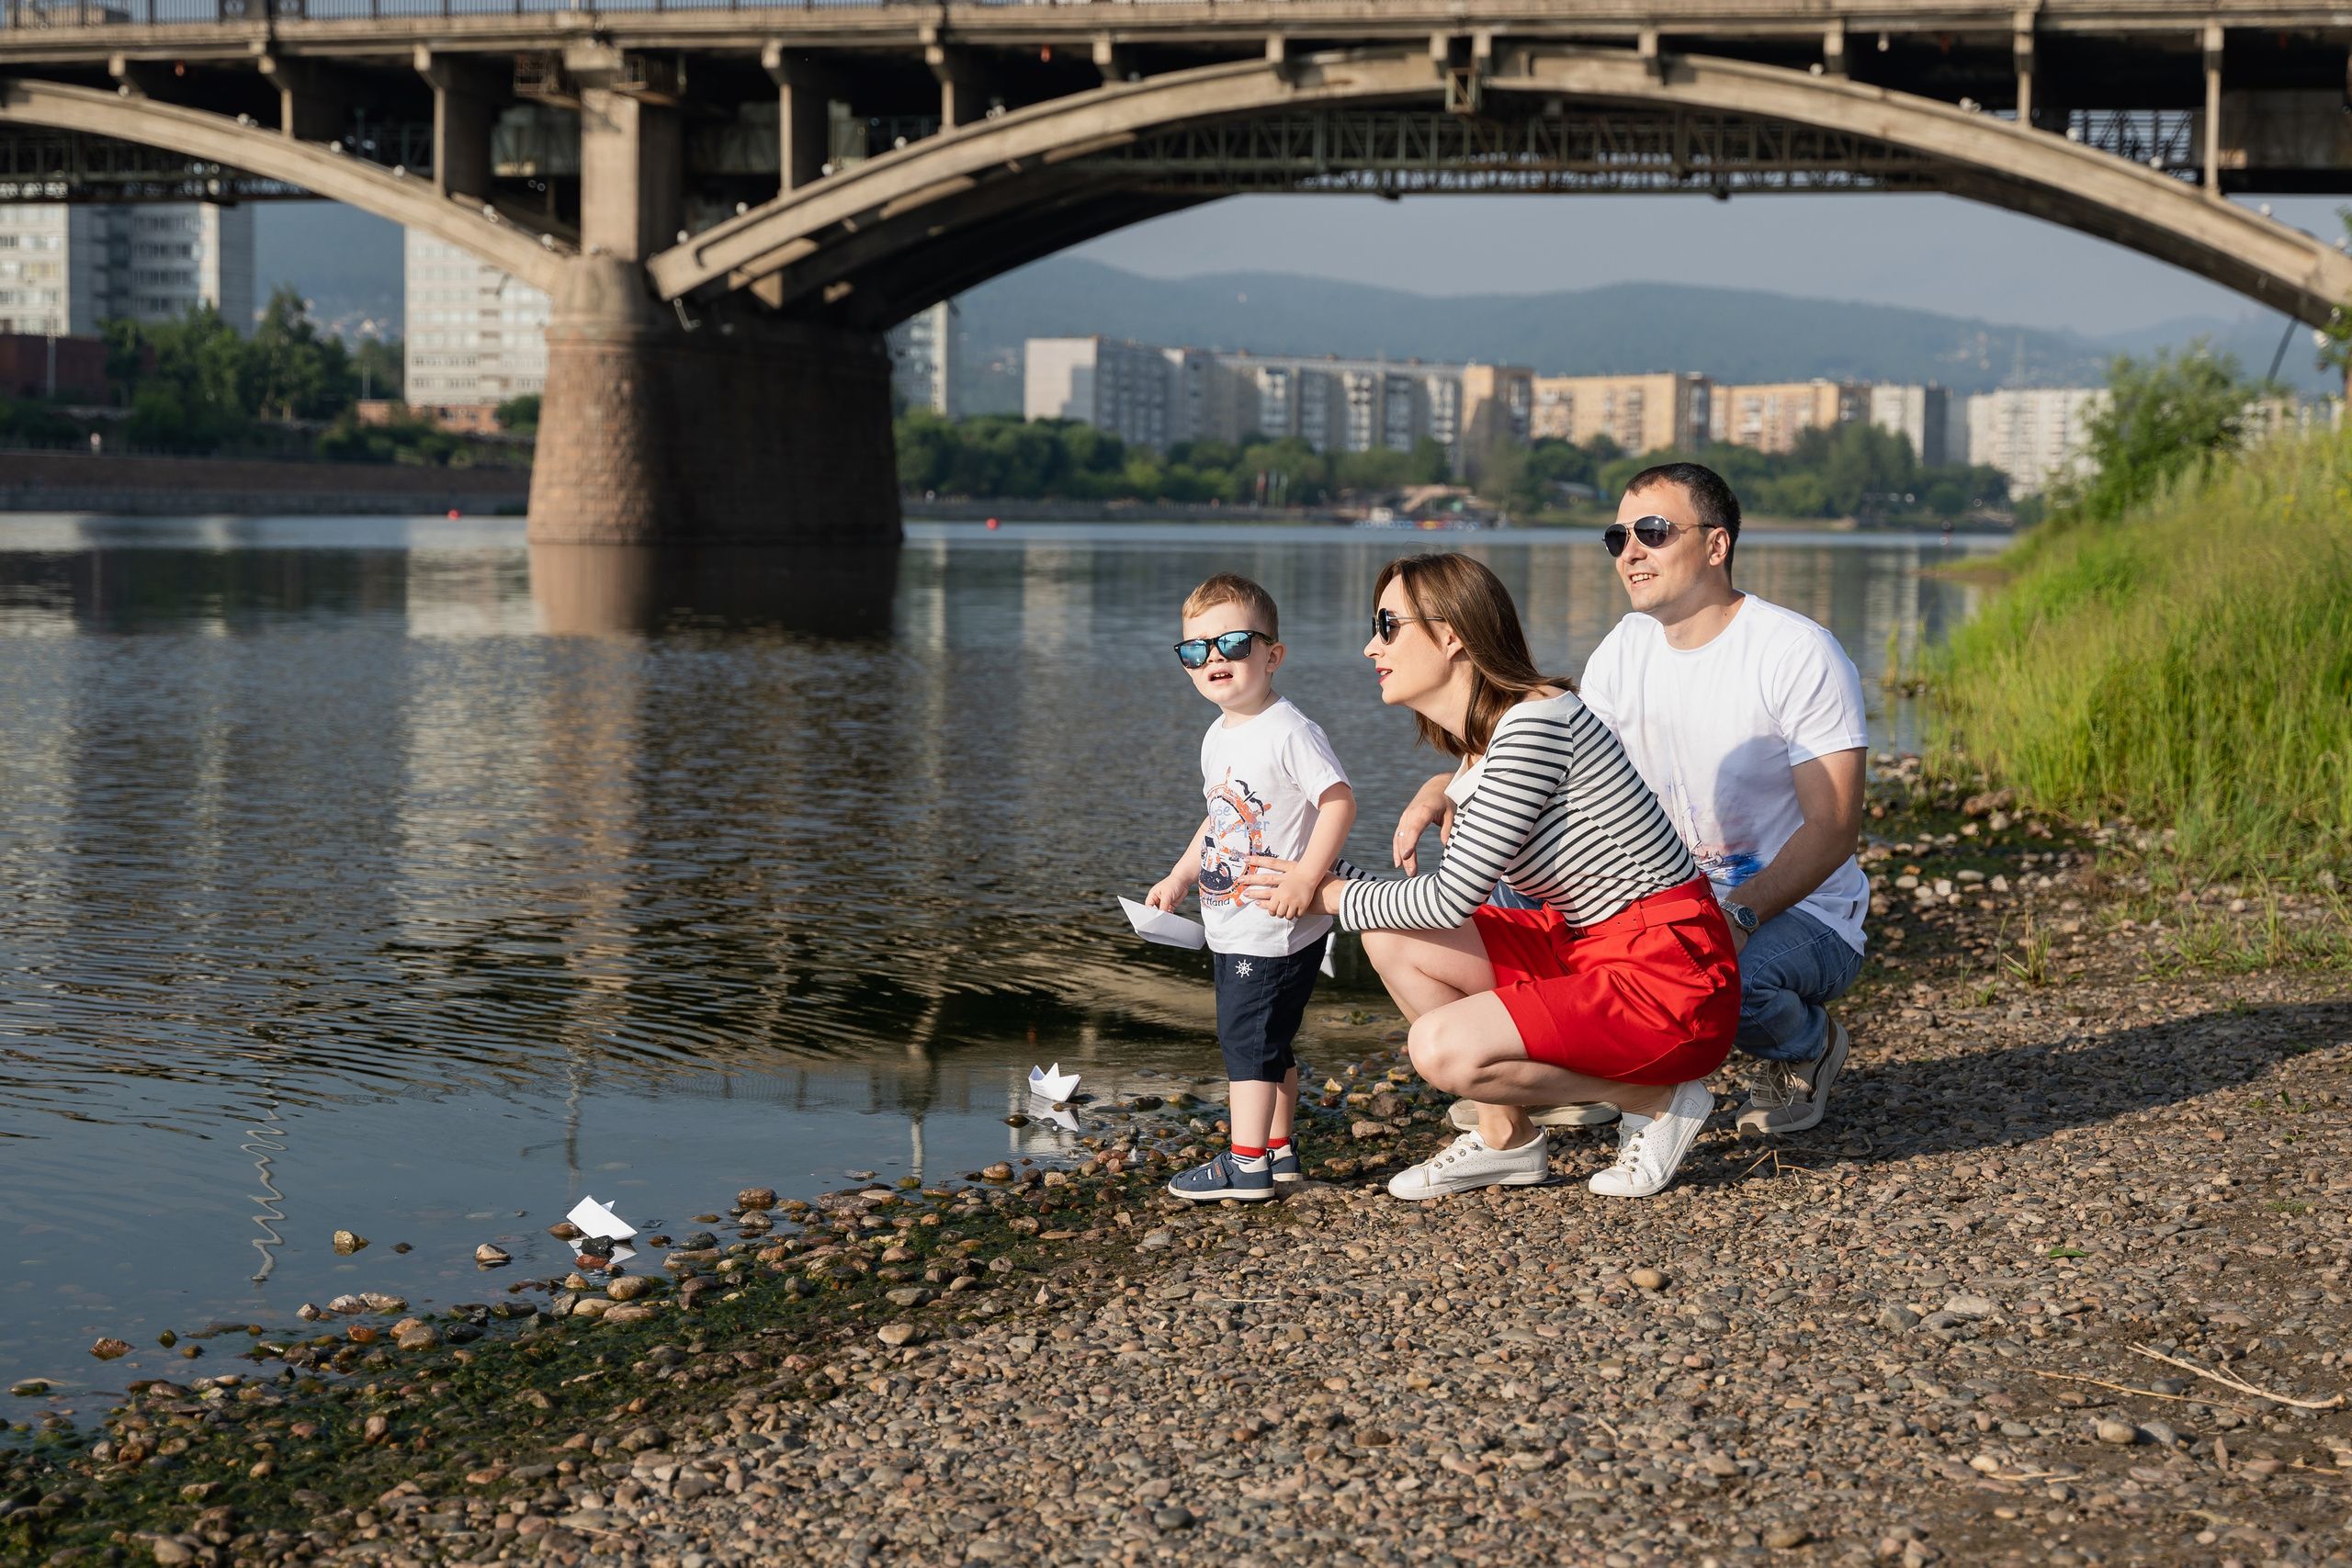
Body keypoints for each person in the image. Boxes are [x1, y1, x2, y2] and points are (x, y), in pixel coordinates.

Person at [1246, 553, 1739, 1201]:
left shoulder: (1534, 723)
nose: (1371, 646)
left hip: (1669, 976)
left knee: (1440, 1049)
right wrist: (1432, 792)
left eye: (1387, 625)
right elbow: (1474, 830)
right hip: (1589, 948)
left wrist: (1328, 892)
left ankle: (1657, 1097)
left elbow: (1452, 899)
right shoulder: (1496, 738)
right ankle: (1508, 1136)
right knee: (1391, 939)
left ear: (1452, 634)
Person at [1396, 463, 1869, 1135]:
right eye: (1618, 536)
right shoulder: (1626, 646)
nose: (1631, 551)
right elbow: (1551, 762)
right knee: (1499, 889)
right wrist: (1445, 784)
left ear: (1716, 545)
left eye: (1652, 531)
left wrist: (1738, 913)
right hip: (1658, 902)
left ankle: (1808, 1046)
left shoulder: (1796, 652)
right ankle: (1565, 1066)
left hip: (1796, 909)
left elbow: (1833, 828)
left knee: (1729, 982)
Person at [1145, 572, 1358, 1202]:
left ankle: (1245, 1164)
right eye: (1195, 649)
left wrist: (1306, 874)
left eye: (1233, 643)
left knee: (1245, 1043)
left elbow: (1339, 801)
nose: (1214, 659)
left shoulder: (1288, 728)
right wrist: (1182, 874)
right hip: (1238, 921)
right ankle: (1278, 1149)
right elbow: (1220, 816)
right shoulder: (1220, 734)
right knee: (1270, 1041)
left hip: (1273, 925)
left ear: (1272, 654)